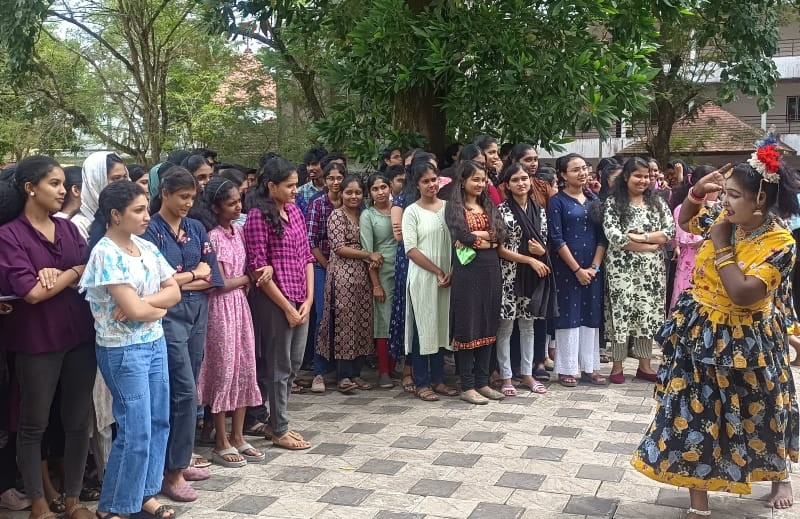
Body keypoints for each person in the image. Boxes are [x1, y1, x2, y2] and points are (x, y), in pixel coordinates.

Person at [632, 149, 800, 517]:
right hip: (702, 333)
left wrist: (722, 244)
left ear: (760, 198)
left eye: (733, 195)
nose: (724, 201)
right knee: (696, 410)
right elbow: (688, 220)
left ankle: (779, 476)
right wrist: (695, 193)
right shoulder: (726, 219)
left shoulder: (780, 243)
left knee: (763, 408)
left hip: (750, 340)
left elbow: (743, 293)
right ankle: (699, 505)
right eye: (724, 193)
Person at [0, 155, 96, 519]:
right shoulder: (9, 236)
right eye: (53, 184)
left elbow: (90, 271)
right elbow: (33, 293)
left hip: (79, 336)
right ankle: (38, 502)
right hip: (37, 340)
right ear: (30, 188)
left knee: (77, 421)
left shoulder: (68, 230)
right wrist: (71, 272)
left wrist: (62, 274)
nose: (62, 191)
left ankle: (73, 499)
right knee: (33, 423)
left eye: (63, 184)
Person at [81, 181, 181, 519]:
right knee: (135, 428)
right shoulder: (105, 253)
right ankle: (116, 505)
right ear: (115, 214)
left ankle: (143, 494)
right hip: (123, 349)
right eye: (138, 210)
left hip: (153, 342)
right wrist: (155, 308)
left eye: (145, 209)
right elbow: (137, 311)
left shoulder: (145, 246)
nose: (146, 216)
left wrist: (148, 303)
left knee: (158, 422)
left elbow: (173, 293)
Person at [143, 166, 224, 502]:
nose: (189, 203)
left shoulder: (195, 227)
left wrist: (179, 280)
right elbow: (153, 282)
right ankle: (171, 471)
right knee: (182, 392)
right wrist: (192, 274)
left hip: (197, 313)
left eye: (192, 197)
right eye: (183, 197)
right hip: (167, 317)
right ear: (164, 193)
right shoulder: (150, 231)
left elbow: (213, 275)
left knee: (190, 388)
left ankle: (181, 457)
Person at [244, 156, 314, 450]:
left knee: (294, 364)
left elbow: (307, 256)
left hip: (300, 296)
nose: (295, 190)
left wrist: (309, 299)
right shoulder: (257, 217)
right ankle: (280, 427)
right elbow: (258, 269)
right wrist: (287, 307)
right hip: (275, 301)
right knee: (279, 366)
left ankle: (277, 422)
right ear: (271, 186)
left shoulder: (295, 211)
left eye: (296, 184)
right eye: (289, 185)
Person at [194, 177, 264, 468]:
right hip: (221, 309)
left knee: (244, 365)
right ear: (216, 207)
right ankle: (221, 439)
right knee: (223, 369)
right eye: (231, 203)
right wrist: (247, 278)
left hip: (240, 307)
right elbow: (219, 282)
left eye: (239, 201)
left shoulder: (239, 232)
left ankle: (238, 434)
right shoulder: (213, 237)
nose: (237, 207)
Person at [602, 157, 675, 384]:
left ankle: (645, 365)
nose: (643, 180)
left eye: (646, 176)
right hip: (621, 269)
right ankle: (617, 367)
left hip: (651, 271)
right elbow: (614, 235)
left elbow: (669, 231)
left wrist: (640, 237)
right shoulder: (614, 202)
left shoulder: (657, 202)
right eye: (638, 176)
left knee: (646, 313)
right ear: (626, 176)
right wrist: (649, 246)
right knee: (621, 313)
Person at [445, 160, 506, 404]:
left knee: (488, 324)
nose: (480, 184)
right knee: (467, 325)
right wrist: (487, 239)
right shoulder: (454, 207)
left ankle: (483, 382)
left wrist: (481, 238)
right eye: (475, 179)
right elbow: (461, 235)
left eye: (483, 180)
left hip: (491, 271)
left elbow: (501, 233)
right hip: (467, 272)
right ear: (463, 181)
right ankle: (467, 385)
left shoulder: (488, 204)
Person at [317, 176, 380, 392]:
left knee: (362, 322)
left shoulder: (364, 215)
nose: (354, 196)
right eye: (349, 192)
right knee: (345, 323)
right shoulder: (337, 215)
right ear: (341, 194)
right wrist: (368, 254)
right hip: (342, 276)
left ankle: (356, 373)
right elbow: (339, 247)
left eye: (358, 192)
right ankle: (343, 375)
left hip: (363, 275)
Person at [548, 153, 606, 388]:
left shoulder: (594, 200)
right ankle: (567, 368)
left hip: (593, 268)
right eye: (575, 170)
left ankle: (590, 367)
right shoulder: (557, 201)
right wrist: (577, 270)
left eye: (584, 168)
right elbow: (556, 238)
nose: (582, 173)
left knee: (591, 314)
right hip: (566, 269)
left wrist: (594, 267)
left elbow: (602, 237)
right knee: (569, 315)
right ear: (563, 175)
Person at [497, 163, 556, 395]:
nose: (521, 183)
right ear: (507, 185)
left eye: (524, 178)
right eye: (515, 180)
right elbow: (500, 249)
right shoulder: (501, 211)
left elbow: (544, 243)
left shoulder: (539, 210)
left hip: (532, 276)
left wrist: (541, 253)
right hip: (508, 275)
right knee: (506, 327)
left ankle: (528, 374)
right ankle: (506, 377)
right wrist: (530, 259)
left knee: (528, 326)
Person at [402, 160, 457, 403]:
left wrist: (452, 271)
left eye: (434, 180)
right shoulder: (411, 211)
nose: (431, 185)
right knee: (423, 328)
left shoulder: (449, 208)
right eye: (425, 181)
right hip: (423, 278)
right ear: (417, 185)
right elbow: (411, 249)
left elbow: (458, 241)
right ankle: (421, 382)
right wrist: (437, 271)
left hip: (447, 277)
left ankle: (438, 379)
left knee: (441, 326)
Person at [389, 149, 428, 393]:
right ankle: (407, 369)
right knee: (409, 314)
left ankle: (428, 368)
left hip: (434, 259)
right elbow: (399, 235)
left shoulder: (438, 199)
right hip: (409, 260)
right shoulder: (403, 199)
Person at [306, 162, 345, 393]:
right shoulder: (318, 204)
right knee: (323, 315)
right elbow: (311, 241)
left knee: (344, 316)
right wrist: (329, 266)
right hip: (323, 265)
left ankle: (343, 372)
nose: (336, 182)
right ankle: (319, 371)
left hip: (349, 266)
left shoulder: (353, 201)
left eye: (339, 177)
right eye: (331, 178)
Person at [360, 173, 398, 388]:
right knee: (384, 321)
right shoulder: (368, 215)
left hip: (403, 268)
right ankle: (383, 371)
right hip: (381, 272)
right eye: (375, 189)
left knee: (398, 319)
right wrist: (375, 284)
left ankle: (393, 367)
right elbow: (368, 251)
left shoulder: (398, 209)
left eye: (383, 187)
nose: (380, 192)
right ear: (370, 193)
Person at [671, 166, 719, 309]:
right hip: (691, 262)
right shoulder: (682, 209)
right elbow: (691, 240)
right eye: (713, 185)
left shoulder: (721, 208)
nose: (718, 189)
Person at [71, 152, 128, 238]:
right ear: (96, 181)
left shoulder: (126, 216)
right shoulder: (78, 226)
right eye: (116, 178)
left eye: (125, 177)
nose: (123, 184)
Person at [295, 147, 328, 216]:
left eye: (314, 164)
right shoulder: (301, 191)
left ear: (325, 164)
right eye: (308, 165)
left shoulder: (333, 189)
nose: (310, 168)